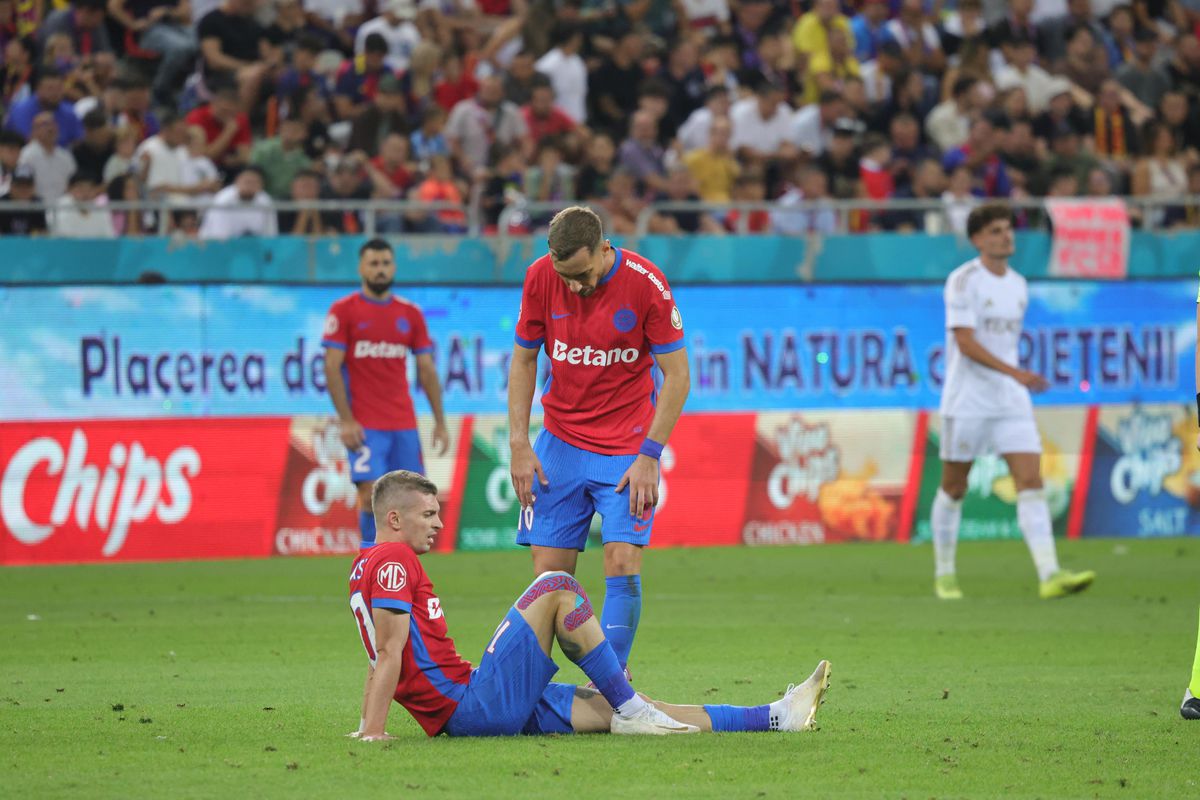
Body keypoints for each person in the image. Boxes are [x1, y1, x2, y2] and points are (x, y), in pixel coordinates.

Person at [349, 469, 833, 739]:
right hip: (473, 704)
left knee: (621, 710)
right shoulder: (394, 558)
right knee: (557, 585)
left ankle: (775, 716)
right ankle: (628, 701)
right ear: (394, 519)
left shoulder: (366, 564)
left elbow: (380, 655)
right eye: (428, 514)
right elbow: (388, 652)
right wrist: (372, 731)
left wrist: (366, 724)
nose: (437, 523)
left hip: (478, 703)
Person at [507, 206, 690, 676]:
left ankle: (613, 686)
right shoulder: (539, 277)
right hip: (560, 443)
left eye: (583, 275)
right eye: (565, 276)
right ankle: (533, 689)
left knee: (622, 560)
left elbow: (677, 376)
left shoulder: (647, 284)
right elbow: (524, 360)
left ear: (604, 248)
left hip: (627, 448)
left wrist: (650, 455)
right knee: (548, 579)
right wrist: (519, 444)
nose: (574, 287)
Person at [931, 203, 1096, 601]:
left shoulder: (1019, 285)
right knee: (954, 486)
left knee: (1031, 481)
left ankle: (1049, 574)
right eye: (995, 231)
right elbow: (965, 343)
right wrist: (1017, 373)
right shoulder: (963, 281)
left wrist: (1014, 380)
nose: (1006, 236)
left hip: (1010, 400)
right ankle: (945, 574)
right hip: (968, 399)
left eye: (1008, 229)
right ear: (977, 239)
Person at [321, 239, 449, 550]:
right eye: (374, 264)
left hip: (403, 424)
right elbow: (331, 367)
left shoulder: (410, 314)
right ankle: (370, 564)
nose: (380, 270)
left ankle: (403, 569)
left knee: (414, 501)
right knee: (370, 495)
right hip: (366, 426)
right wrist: (346, 420)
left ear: (393, 267)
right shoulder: (344, 311)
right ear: (361, 268)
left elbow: (426, 370)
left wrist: (439, 421)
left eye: (386, 263)